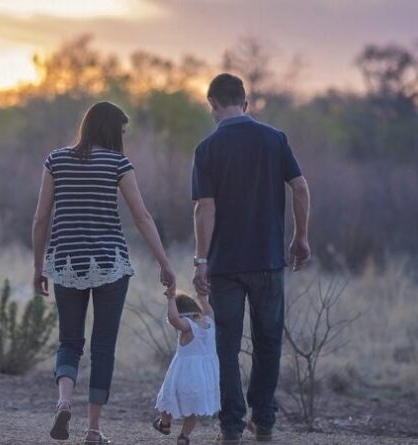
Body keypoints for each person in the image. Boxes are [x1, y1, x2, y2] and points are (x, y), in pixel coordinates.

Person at [32, 101, 176, 444]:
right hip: (110, 263)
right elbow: (142, 217)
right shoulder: (118, 163)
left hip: (66, 262)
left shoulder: (56, 160)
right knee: (103, 346)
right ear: (112, 130)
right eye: (122, 131)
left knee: (69, 340)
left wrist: (38, 267)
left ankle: (64, 401)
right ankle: (93, 429)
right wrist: (164, 262)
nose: (123, 137)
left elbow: (40, 219)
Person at [191, 73, 311, 443]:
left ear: (212, 105)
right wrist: (300, 237)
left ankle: (230, 429)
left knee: (225, 345)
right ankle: (264, 422)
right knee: (268, 342)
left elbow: (204, 209)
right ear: (245, 102)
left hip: (225, 264)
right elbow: (300, 188)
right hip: (268, 261)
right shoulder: (275, 139)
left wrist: (201, 260)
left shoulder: (207, 148)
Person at [153, 293, 220, 445]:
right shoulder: (210, 321)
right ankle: (184, 436)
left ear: (183, 315)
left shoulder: (188, 327)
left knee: (168, 397)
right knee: (193, 410)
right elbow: (209, 311)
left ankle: (165, 424)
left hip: (183, 374)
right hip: (203, 377)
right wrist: (203, 298)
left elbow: (174, 319)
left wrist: (171, 299)